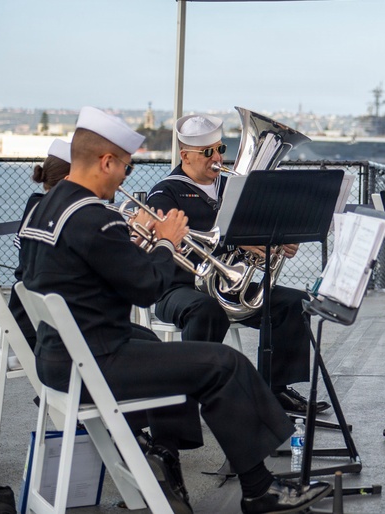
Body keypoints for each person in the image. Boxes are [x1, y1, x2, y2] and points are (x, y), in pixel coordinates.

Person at [19, 106, 331, 513]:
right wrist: (165, 241)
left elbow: (82, 276)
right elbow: (147, 289)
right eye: (126, 170)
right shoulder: (94, 218)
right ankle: (259, 489)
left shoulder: (46, 209)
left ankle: (164, 459)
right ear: (106, 161)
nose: (124, 180)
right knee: (224, 363)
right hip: (95, 360)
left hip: (58, 355)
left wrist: (134, 245)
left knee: (162, 347)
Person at [145, 113, 329, 415]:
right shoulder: (166, 192)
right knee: (206, 310)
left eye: (220, 149)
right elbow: (172, 242)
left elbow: (261, 226)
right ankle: (194, 395)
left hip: (227, 285)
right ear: (185, 156)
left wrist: (280, 240)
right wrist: (232, 241)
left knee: (294, 302)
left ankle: (276, 389)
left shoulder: (233, 186)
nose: (217, 157)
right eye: (209, 152)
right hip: (176, 288)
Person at [9, 138, 72, 350]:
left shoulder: (36, 205)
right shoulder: (62, 214)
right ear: (68, 180)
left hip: (26, 317)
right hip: (45, 330)